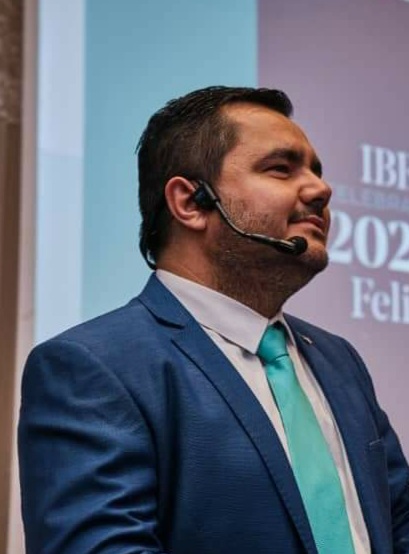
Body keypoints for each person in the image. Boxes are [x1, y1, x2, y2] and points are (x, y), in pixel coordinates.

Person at [19, 86, 409, 554]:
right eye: (280, 168)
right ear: (190, 202)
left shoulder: (339, 360)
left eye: (316, 171)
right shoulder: (92, 367)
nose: (320, 190)